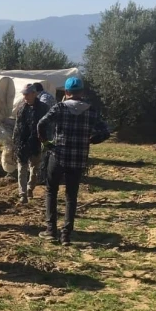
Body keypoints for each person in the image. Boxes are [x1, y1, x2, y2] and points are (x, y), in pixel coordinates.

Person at [37, 77, 109, 246]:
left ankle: (50, 231)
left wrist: (46, 142)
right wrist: (92, 140)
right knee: (71, 196)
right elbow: (105, 132)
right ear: (82, 92)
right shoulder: (92, 111)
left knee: (51, 192)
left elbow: (41, 124)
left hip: (58, 156)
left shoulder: (59, 108)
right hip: (78, 159)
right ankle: (66, 235)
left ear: (67, 93)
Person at [13, 84, 49, 204]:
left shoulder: (44, 108)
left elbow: (48, 125)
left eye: (27, 94)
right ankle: (22, 194)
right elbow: (17, 126)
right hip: (22, 142)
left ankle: (30, 188)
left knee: (34, 168)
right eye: (24, 94)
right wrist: (15, 141)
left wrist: (46, 140)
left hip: (36, 142)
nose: (25, 96)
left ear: (34, 93)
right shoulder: (21, 108)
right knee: (21, 168)